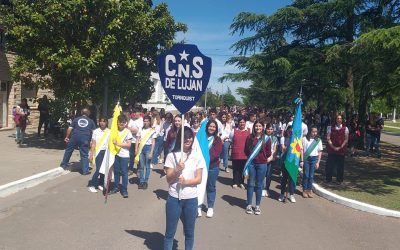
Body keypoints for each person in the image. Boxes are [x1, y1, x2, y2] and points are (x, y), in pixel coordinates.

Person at [164, 127, 204, 250]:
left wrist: (186, 182)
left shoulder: (197, 156)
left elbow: (199, 179)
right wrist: (176, 169)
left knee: (189, 233)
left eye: (190, 137)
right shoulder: (172, 156)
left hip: (191, 200)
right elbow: (169, 180)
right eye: (185, 137)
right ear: (180, 138)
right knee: (170, 233)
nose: (188, 139)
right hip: (174, 199)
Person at [244, 120, 272, 215]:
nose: (258, 128)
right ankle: (248, 205)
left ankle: (257, 206)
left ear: (263, 127)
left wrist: (262, 157)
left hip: (262, 164)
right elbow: (246, 150)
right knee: (250, 184)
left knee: (259, 185)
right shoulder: (250, 137)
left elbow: (269, 153)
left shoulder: (267, 139)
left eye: (260, 126)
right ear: (254, 127)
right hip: (251, 164)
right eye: (256, 126)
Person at [60, 108, 96, 175]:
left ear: (81, 113)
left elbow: (70, 128)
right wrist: (92, 141)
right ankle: (85, 170)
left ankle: (64, 165)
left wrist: (67, 137)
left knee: (68, 150)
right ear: (88, 114)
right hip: (85, 138)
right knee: (84, 154)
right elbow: (94, 132)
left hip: (74, 137)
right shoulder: (91, 121)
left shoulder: (76, 119)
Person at [202, 120, 223, 218]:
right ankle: (198, 205)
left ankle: (210, 207)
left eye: (214, 127)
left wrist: (204, 159)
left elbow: (216, 154)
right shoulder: (202, 138)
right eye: (210, 126)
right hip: (200, 167)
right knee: (199, 187)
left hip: (212, 167)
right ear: (207, 127)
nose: (211, 128)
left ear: (216, 129)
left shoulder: (217, 140)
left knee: (210, 187)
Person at [109, 115, 133, 198]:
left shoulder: (127, 132)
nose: (121, 123)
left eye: (123, 122)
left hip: (124, 155)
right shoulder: (114, 131)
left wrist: (117, 144)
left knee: (124, 173)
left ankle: (124, 189)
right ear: (117, 122)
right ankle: (116, 187)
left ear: (125, 123)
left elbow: (129, 145)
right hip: (115, 154)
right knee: (116, 172)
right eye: (119, 122)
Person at [300, 126, 322, 198]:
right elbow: (302, 150)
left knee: (311, 175)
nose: (314, 133)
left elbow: (320, 152)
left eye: (316, 132)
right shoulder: (304, 139)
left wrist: (318, 162)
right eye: (313, 131)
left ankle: (309, 190)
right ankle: (304, 190)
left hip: (314, 159)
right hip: (306, 159)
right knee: (306, 175)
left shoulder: (318, 140)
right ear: (310, 131)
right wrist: (302, 160)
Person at [88, 117, 109, 193]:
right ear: (99, 122)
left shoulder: (109, 132)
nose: (102, 123)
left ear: (106, 123)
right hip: (98, 152)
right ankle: (92, 185)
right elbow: (93, 144)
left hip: (106, 152)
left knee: (104, 169)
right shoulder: (96, 131)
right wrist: (91, 154)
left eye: (104, 121)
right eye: (101, 121)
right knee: (99, 169)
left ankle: (100, 184)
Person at [326, 115, 349, 184]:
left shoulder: (346, 128)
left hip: (341, 150)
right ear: (335, 119)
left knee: (340, 166)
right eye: (338, 118)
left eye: (340, 118)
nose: (339, 120)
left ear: (342, 119)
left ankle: (339, 180)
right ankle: (328, 179)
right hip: (332, 149)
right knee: (330, 165)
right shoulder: (330, 128)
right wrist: (333, 146)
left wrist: (340, 147)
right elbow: (328, 138)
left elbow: (346, 139)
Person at [135, 115, 156, 189]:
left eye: (147, 121)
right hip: (141, 148)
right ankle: (141, 181)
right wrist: (136, 149)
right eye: (144, 121)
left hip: (148, 148)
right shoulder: (140, 129)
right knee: (141, 166)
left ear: (150, 122)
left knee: (147, 166)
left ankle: (145, 182)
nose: (145, 122)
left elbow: (153, 142)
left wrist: (151, 152)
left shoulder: (152, 131)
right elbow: (137, 139)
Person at [229, 117, 249, 189]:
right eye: (240, 122)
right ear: (238, 123)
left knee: (243, 168)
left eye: (243, 122)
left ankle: (241, 182)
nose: (242, 123)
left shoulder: (248, 131)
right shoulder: (234, 131)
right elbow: (231, 139)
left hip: (245, 153)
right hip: (236, 153)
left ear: (245, 123)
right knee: (235, 168)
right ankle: (235, 182)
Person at [279, 126, 297, 203]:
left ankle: (291, 194)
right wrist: (290, 144)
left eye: (292, 132)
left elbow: (298, 150)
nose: (290, 133)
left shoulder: (296, 140)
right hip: (285, 160)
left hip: (293, 161)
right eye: (289, 131)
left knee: (292, 179)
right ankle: (282, 194)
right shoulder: (283, 138)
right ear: (287, 131)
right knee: (284, 178)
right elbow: (283, 149)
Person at [262, 123, 277, 197]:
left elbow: (275, 149)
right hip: (263, 158)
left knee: (268, 175)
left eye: (271, 129)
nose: (269, 130)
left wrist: (272, 157)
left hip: (271, 159)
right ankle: (261, 188)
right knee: (262, 174)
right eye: (268, 129)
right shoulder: (263, 137)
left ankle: (266, 189)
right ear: (265, 129)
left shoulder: (275, 138)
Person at [127, 108, 143, 174]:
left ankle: (138, 169)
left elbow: (138, 131)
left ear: (139, 112)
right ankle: (130, 169)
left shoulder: (141, 120)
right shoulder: (131, 120)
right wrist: (134, 130)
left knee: (138, 156)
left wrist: (132, 130)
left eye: (136, 112)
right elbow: (128, 128)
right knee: (131, 156)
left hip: (138, 141)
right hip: (131, 140)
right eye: (134, 112)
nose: (135, 114)